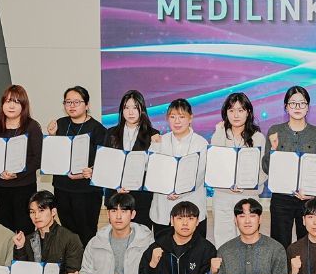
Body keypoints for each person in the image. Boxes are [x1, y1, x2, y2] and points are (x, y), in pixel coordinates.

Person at [263, 85, 316, 248]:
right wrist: (273, 150)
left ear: (308, 107)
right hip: (281, 198)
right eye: (293, 103)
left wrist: (312, 193)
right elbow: (266, 168)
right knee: (279, 245)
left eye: (302, 103)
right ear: (286, 107)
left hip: (308, 199)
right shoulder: (275, 131)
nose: (297, 107)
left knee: (307, 245)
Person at [0, 84, 43, 235]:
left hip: (24, 186)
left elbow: (38, 158)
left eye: (16, 102)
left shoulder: (32, 126)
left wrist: (17, 174)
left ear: (24, 105)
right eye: (8, 101)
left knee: (24, 227)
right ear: (2, 104)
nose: (11, 106)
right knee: (1, 228)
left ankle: (23, 251)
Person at [47, 85, 107, 246]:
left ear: (87, 105)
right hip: (62, 188)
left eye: (77, 102)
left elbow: (104, 162)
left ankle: (88, 261)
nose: (72, 106)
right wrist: (52, 137)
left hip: (86, 191)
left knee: (86, 233)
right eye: (68, 102)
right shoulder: (60, 124)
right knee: (68, 232)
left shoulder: (98, 129)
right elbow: (52, 156)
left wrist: (91, 171)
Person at [211, 92, 266, 247]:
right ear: (225, 113)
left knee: (249, 240)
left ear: (248, 112)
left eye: (240, 110)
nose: (236, 115)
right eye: (231, 110)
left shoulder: (258, 138)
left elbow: (263, 170)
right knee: (223, 241)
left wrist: (246, 185)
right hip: (223, 195)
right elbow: (214, 166)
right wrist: (219, 132)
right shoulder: (219, 134)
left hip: (248, 195)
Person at [100, 90, 159, 229]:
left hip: (141, 197)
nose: (130, 112)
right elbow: (105, 165)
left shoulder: (153, 135)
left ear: (142, 110)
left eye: (135, 107)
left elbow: (155, 169)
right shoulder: (111, 133)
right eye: (126, 108)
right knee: (117, 235)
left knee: (141, 234)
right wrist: (116, 184)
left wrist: (157, 145)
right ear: (122, 110)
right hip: (116, 196)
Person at [149, 98, 208, 237]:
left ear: (190, 118)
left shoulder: (201, 143)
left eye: (181, 117)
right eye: (172, 117)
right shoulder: (160, 141)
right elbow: (151, 169)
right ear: (167, 118)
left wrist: (180, 191)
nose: (177, 121)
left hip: (192, 205)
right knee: (163, 247)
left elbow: (200, 174)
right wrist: (154, 146)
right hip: (163, 208)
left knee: (194, 248)